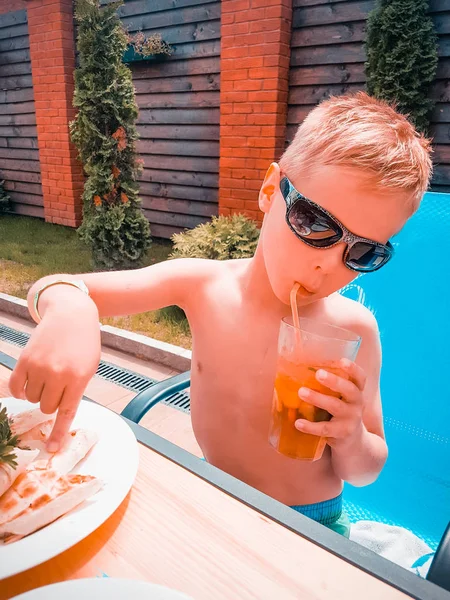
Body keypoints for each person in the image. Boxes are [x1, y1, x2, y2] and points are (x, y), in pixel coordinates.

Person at [9, 92, 432, 536]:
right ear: (272, 190)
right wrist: (68, 312)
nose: (328, 266)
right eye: (315, 223)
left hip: (311, 527)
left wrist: (350, 438)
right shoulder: (200, 284)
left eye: (363, 252)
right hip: (215, 501)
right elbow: (56, 286)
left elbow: (367, 470)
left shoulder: (352, 329)